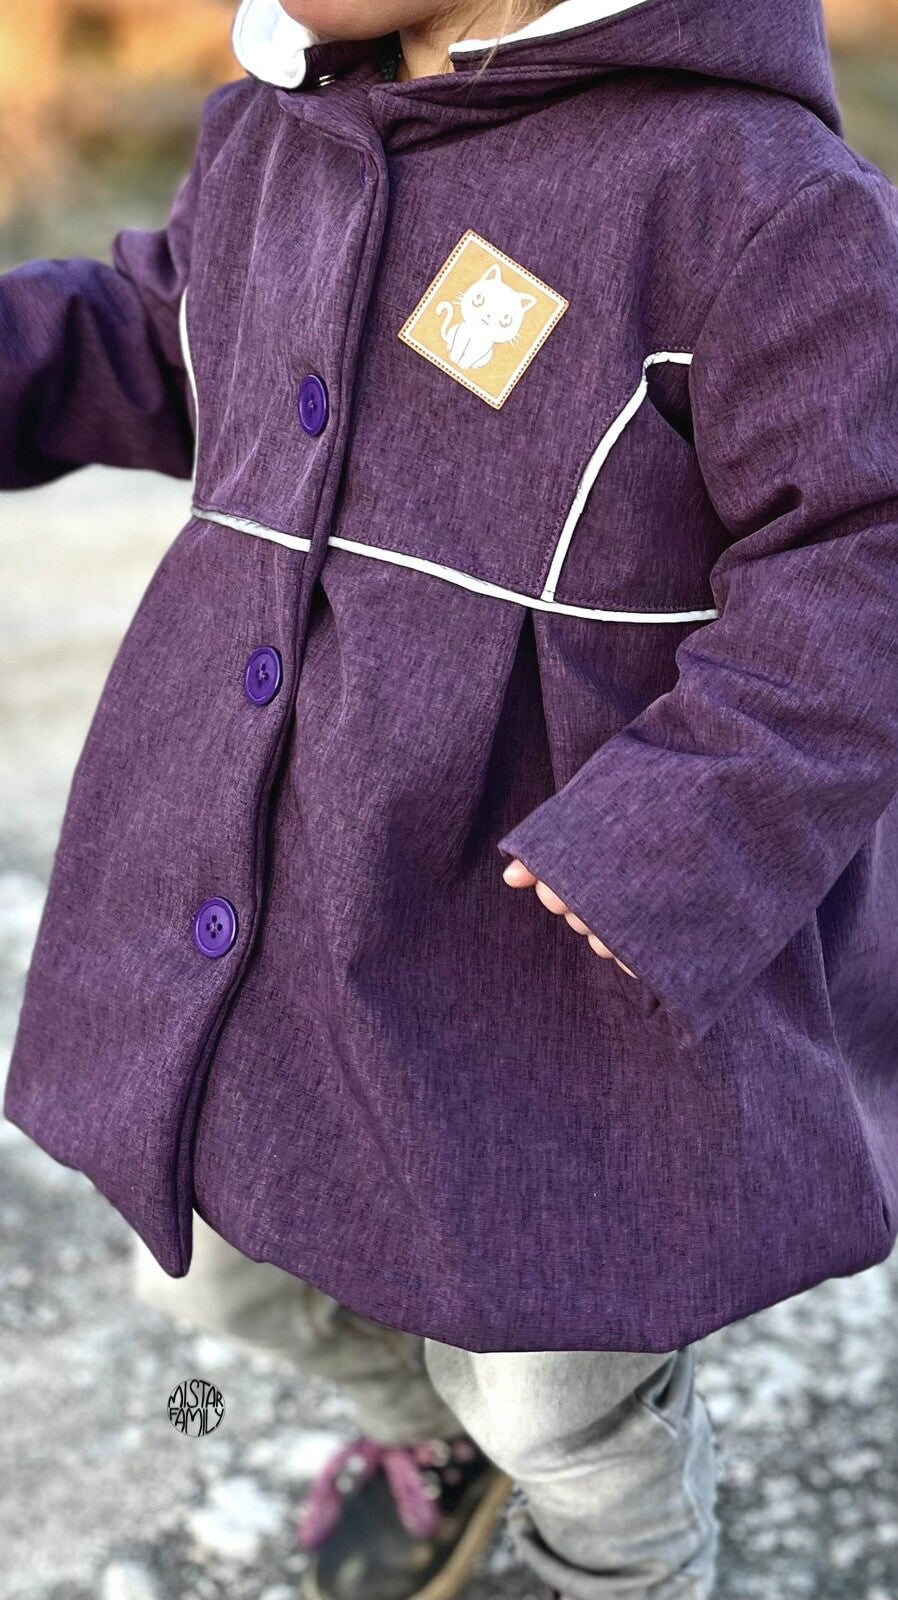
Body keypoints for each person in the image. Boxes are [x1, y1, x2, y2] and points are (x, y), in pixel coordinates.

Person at [5, 0, 898, 1596]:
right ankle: (432, 1436)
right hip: (281, 902)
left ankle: (615, 1562)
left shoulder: (746, 191)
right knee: (216, 1271)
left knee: (553, 1375)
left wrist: (685, 826)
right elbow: (163, 334)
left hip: (548, 946)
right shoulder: (275, 135)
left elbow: (864, 548)